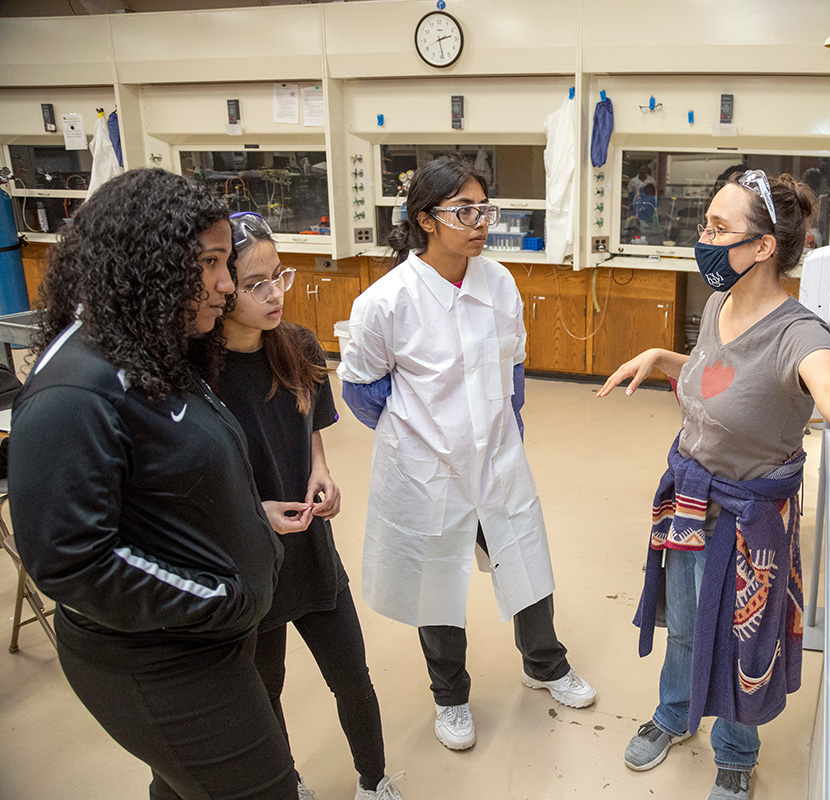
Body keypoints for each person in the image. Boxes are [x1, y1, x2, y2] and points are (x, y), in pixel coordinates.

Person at [598, 169, 830, 800]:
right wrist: (662, 358)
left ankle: (736, 751)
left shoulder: (800, 333)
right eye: (704, 224)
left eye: (716, 228)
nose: (702, 238)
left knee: (743, 644)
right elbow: (722, 379)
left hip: (746, 520)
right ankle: (675, 714)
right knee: (683, 622)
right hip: (689, 501)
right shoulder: (718, 304)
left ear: (763, 246)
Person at [7, 168, 297, 799]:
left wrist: (245, 514)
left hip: (205, 641)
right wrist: (220, 598)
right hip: (159, 659)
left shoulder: (149, 348)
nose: (225, 284)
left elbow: (169, 478)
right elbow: (72, 560)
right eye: (213, 263)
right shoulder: (74, 395)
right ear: (151, 262)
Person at [337, 154, 596, 753]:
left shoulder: (498, 282)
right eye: (465, 211)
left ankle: (545, 663)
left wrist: (506, 429)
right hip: (431, 470)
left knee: (524, 557)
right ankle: (450, 696)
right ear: (426, 220)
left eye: (485, 208)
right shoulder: (385, 301)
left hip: (499, 460)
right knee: (438, 582)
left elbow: (515, 366)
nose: (481, 222)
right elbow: (362, 391)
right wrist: (423, 443)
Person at [214, 212, 404, 800]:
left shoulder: (295, 345)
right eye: (256, 284)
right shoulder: (202, 373)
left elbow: (310, 426)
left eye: (280, 277)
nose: (274, 295)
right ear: (221, 289)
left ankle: (373, 782)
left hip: (311, 549)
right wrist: (255, 512)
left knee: (353, 675)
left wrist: (321, 470)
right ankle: (287, 780)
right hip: (252, 558)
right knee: (263, 688)